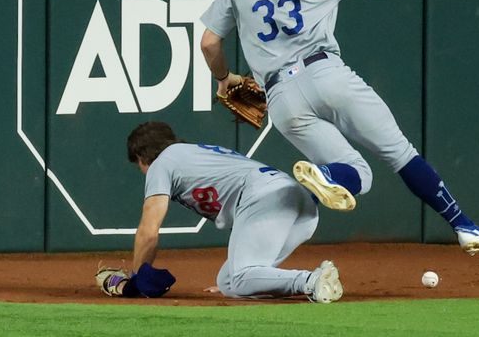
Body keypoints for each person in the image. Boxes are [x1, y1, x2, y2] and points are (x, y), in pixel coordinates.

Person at [199, 0, 479, 258]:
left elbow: (209, 42)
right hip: (325, 74)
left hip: (281, 98)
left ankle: (328, 175)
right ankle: (463, 226)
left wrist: (224, 79)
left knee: (357, 174)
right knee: (400, 154)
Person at [97, 121, 343, 303]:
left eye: (138, 164)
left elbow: (148, 231)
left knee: (240, 279)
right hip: (297, 201)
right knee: (229, 283)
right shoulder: (191, 153)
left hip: (264, 197)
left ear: (141, 156)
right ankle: (282, 282)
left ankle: (311, 280)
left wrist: (137, 278)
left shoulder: (161, 163)